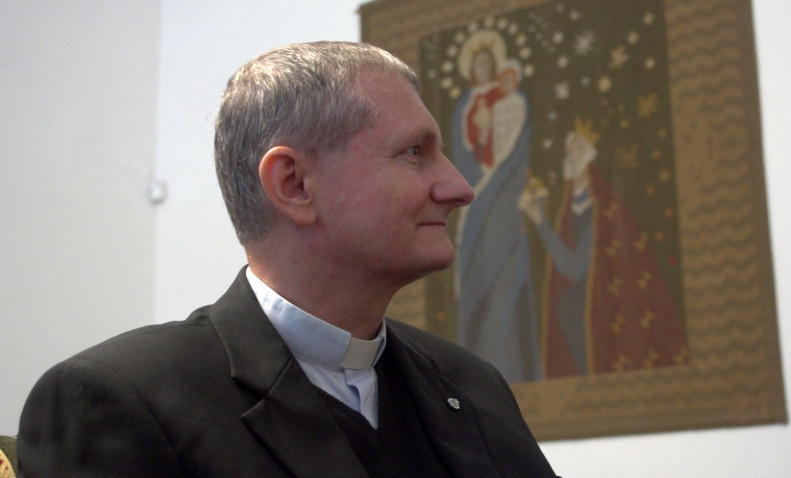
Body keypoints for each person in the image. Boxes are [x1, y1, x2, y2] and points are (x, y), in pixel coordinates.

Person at [16, 42, 558, 477]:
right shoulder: (120, 399)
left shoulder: (472, 386)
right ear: (294, 184)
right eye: (414, 152)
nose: (460, 187)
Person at [519, 127, 688, 377]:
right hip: (588, 288)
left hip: (611, 288)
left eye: (578, 148)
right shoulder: (570, 207)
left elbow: (575, 267)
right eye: (569, 149)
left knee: (570, 307)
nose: (571, 155)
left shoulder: (603, 207)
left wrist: (540, 222)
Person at [452, 30, 542, 383]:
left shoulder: (512, 99)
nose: (484, 68)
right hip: (477, 197)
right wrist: (482, 138)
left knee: (509, 278)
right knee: (475, 277)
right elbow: (462, 154)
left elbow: (517, 147)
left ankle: (514, 365)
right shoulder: (465, 105)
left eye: (489, 62)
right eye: (478, 63)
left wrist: (497, 180)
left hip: (503, 199)